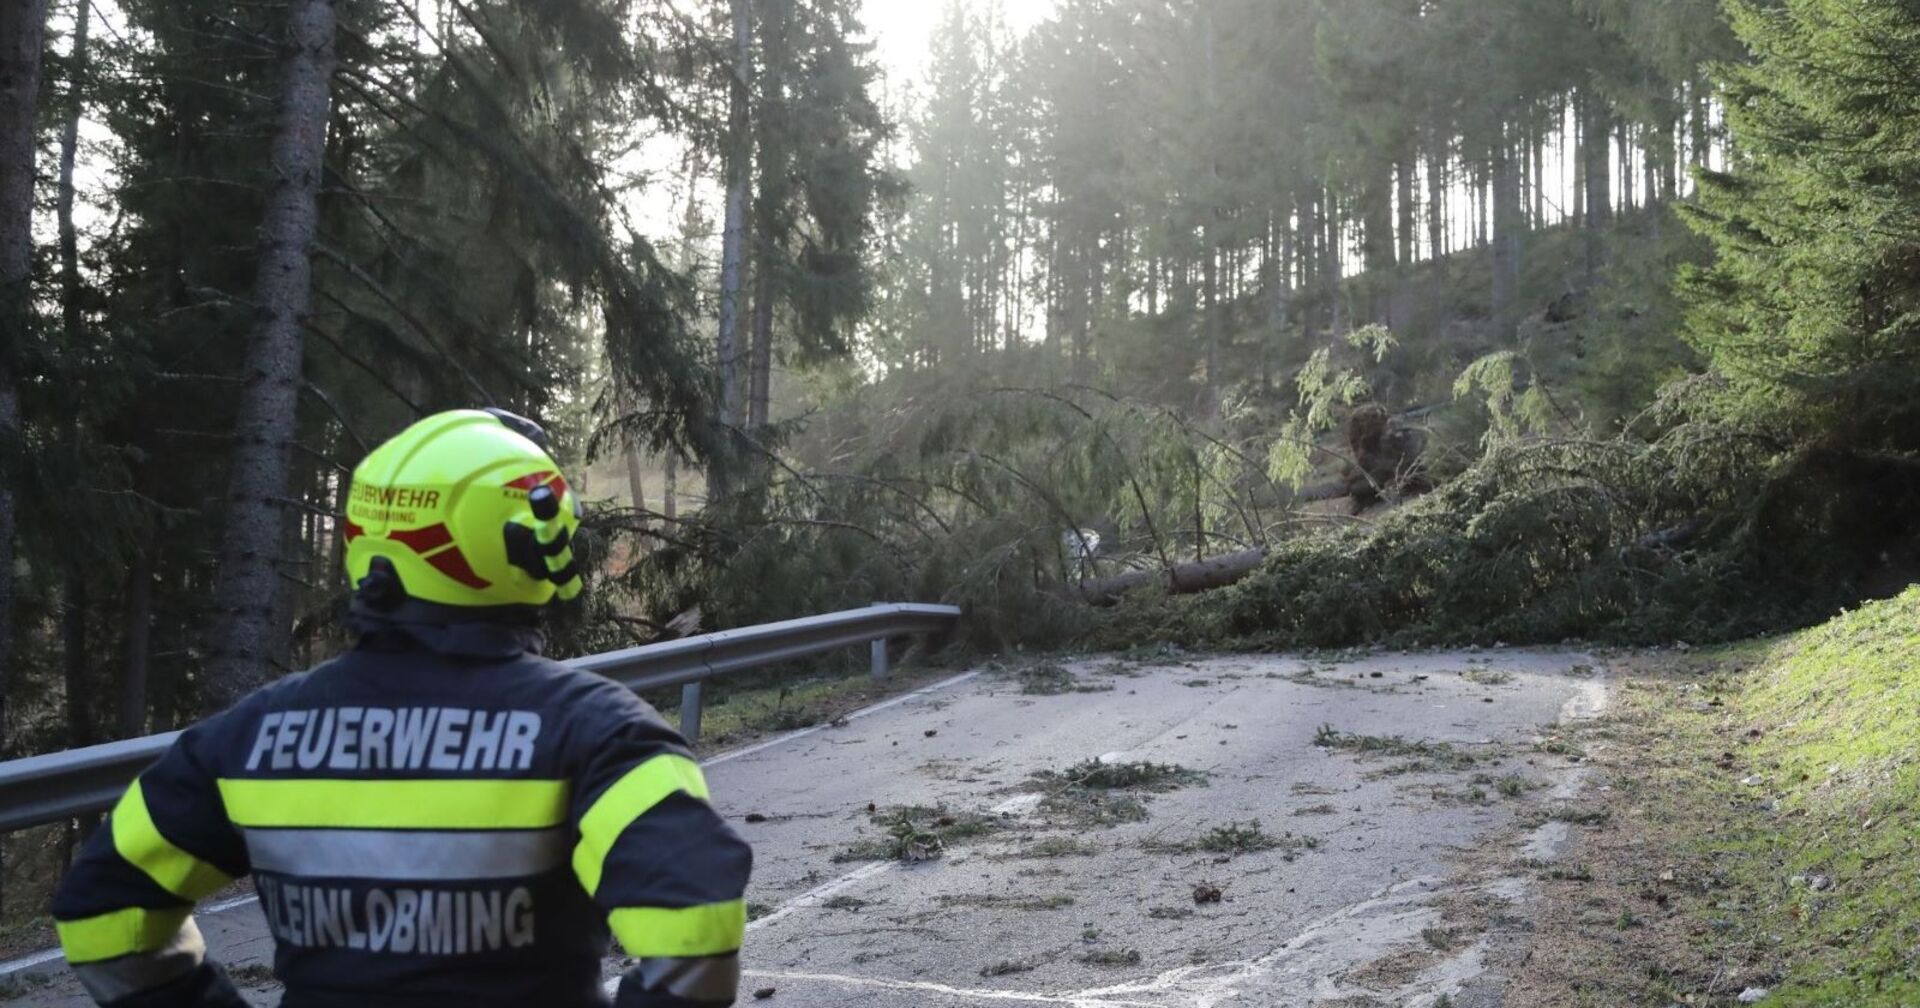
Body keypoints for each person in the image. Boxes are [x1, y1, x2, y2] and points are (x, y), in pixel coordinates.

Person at [50, 409, 753, 1008]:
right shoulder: (599, 732)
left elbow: (105, 912)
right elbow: (696, 925)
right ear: (516, 541)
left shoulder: (244, 739)